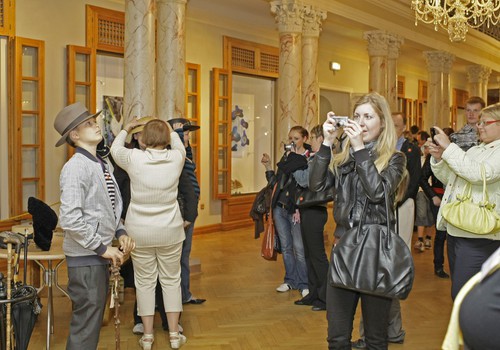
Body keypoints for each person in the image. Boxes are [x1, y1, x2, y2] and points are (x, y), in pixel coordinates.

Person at [309, 92, 407, 350]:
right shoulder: (345, 157)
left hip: (375, 254)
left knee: (375, 338)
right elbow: (316, 186)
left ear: (382, 122)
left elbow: (377, 193)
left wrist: (360, 150)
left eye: (368, 116)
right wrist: (327, 143)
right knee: (337, 336)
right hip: (343, 249)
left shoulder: (395, 159)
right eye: (356, 116)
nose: (361, 122)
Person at [54, 102, 135, 349]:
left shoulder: (102, 163)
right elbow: (69, 219)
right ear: (75, 136)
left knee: (91, 321)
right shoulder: (76, 167)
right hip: (86, 258)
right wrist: (101, 248)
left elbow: (108, 207)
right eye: (88, 124)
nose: (96, 125)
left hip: (95, 255)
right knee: (86, 324)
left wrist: (119, 231)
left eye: (94, 121)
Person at [112, 117, 196, 334]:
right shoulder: (177, 158)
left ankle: (147, 335)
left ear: (145, 138)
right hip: (170, 231)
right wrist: (169, 129)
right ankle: (174, 334)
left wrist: (126, 129)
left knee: (145, 284)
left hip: (140, 232)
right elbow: (178, 144)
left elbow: (115, 149)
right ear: (167, 137)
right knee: (171, 282)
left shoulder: (134, 159)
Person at [352, 111, 418, 349]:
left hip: (391, 217)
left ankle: (379, 334)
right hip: (369, 224)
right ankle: (387, 331)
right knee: (376, 281)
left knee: (383, 279)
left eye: (399, 125)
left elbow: (404, 183)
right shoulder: (364, 152)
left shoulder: (399, 155)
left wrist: (395, 202)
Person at [429, 102, 500, 300]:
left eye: (485, 122)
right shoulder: (477, 149)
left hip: (480, 235)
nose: (480, 126)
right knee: (461, 290)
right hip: (458, 229)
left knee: (466, 295)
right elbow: (452, 179)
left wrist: (450, 147)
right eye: (479, 123)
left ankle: (472, 329)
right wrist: (439, 158)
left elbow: (480, 174)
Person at [261, 126, 310, 297]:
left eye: (296, 138)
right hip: (279, 208)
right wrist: (268, 166)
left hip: (296, 209)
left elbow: (305, 184)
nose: (292, 142)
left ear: (305, 138)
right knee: (287, 247)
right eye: (290, 138)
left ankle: (304, 283)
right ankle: (290, 280)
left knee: (299, 248)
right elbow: (276, 182)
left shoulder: (309, 158)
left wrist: (294, 160)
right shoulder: (286, 158)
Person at [167, 118, 206, 305]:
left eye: (189, 132)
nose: (189, 136)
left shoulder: (184, 153)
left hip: (188, 209)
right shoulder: (173, 154)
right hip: (181, 210)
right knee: (179, 255)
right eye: (185, 132)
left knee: (184, 254)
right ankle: (179, 296)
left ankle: (184, 294)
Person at [292, 125, 331, 311]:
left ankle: (325, 298)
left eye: (313, 138)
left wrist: (292, 165)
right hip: (308, 208)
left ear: (321, 139)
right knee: (308, 255)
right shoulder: (314, 158)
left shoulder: (322, 159)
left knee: (317, 256)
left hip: (315, 210)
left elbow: (305, 181)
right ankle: (314, 294)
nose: (311, 142)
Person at [420, 127, 454, 279]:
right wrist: (433, 196)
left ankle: (456, 266)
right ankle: (438, 265)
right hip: (438, 199)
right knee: (440, 234)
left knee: (454, 236)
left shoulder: (456, 154)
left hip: (455, 199)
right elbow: (422, 177)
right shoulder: (432, 155)